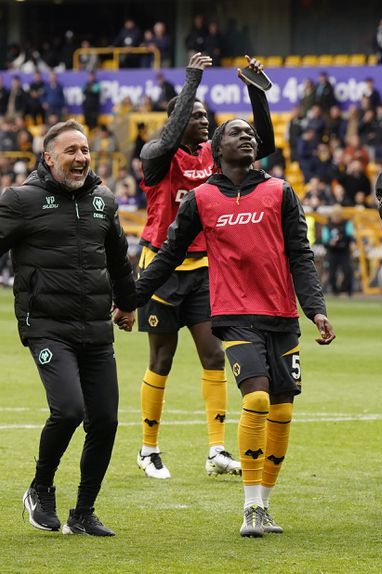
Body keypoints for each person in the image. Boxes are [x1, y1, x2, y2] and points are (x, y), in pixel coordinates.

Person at [0, 120, 137, 537]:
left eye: (84, 150)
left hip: (96, 327)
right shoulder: (22, 200)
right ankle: (40, 489)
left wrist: (128, 304)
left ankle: (83, 512)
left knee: (105, 421)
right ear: (49, 157)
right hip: (46, 325)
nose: (81, 157)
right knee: (69, 409)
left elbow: (118, 259)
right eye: (71, 151)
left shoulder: (103, 200)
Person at [136, 117, 334, 537]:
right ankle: (248, 507)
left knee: (281, 410)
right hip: (234, 315)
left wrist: (315, 308)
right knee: (258, 399)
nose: (245, 136)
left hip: (281, 316)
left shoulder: (280, 192)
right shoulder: (202, 198)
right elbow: (169, 254)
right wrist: (132, 297)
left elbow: (300, 254)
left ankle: (264, 503)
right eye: (234, 133)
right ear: (217, 149)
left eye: (250, 133)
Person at [135, 53, 274, 480]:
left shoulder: (214, 157)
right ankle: (148, 448)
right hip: (160, 265)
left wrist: (255, 91)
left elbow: (263, 144)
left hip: (203, 270)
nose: (203, 121)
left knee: (213, 355)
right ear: (176, 118)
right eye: (193, 116)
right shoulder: (156, 156)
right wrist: (192, 81)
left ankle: (216, 450)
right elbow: (169, 134)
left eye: (205, 116)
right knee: (162, 359)